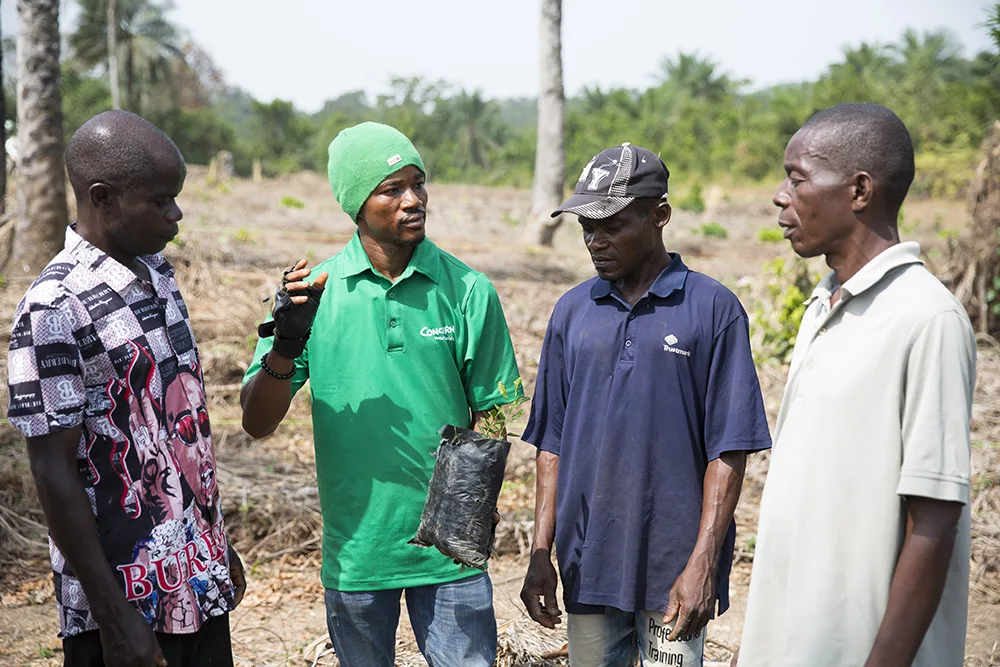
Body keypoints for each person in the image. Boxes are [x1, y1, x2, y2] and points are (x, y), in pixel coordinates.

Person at [239, 122, 522, 667]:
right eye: (392, 190)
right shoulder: (316, 294)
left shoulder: (467, 290)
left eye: (418, 183)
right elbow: (256, 422)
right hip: (357, 551)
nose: (413, 200)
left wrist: (467, 515)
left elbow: (490, 412)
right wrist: (287, 342)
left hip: (448, 555)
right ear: (355, 204)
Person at [734, 103, 976, 667]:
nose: (779, 195)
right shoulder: (822, 306)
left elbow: (934, 519)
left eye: (796, 178)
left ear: (859, 190)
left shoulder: (925, 319)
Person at [6, 110, 245, 667]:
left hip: (195, 581)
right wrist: (115, 619)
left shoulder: (158, 275)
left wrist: (211, 540)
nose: (176, 214)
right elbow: (52, 470)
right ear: (102, 198)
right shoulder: (53, 309)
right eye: (161, 200)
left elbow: (171, 432)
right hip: (123, 605)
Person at [519, 142, 772, 667]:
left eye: (611, 224)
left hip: (672, 569)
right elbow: (551, 442)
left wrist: (703, 560)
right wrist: (541, 552)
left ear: (660, 216)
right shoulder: (572, 311)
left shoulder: (712, 309)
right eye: (586, 226)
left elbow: (729, 449)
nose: (595, 239)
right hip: (587, 562)